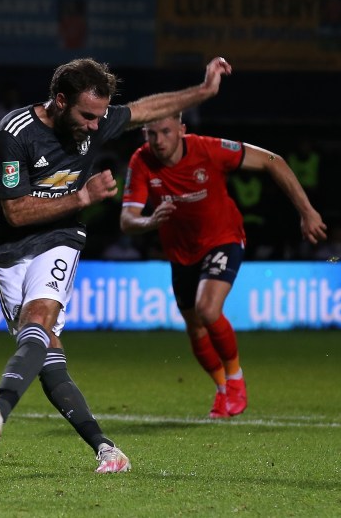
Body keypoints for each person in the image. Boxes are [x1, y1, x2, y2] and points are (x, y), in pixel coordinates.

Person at [0, 56, 234, 475]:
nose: (95, 126)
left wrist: (204, 91)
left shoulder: (96, 119)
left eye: (100, 117)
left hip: (61, 239)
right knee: (47, 354)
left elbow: (147, 109)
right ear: (59, 100)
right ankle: (107, 448)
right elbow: (15, 213)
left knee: (40, 316)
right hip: (9, 249)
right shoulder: (14, 134)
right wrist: (83, 198)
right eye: (87, 116)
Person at [119, 112, 326, 420]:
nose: (159, 141)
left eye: (165, 132)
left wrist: (307, 211)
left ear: (182, 130)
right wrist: (149, 221)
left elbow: (273, 160)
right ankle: (221, 390)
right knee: (195, 327)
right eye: (151, 134)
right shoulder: (142, 161)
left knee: (208, 309)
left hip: (223, 238)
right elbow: (127, 219)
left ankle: (236, 378)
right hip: (180, 253)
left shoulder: (210, 149)